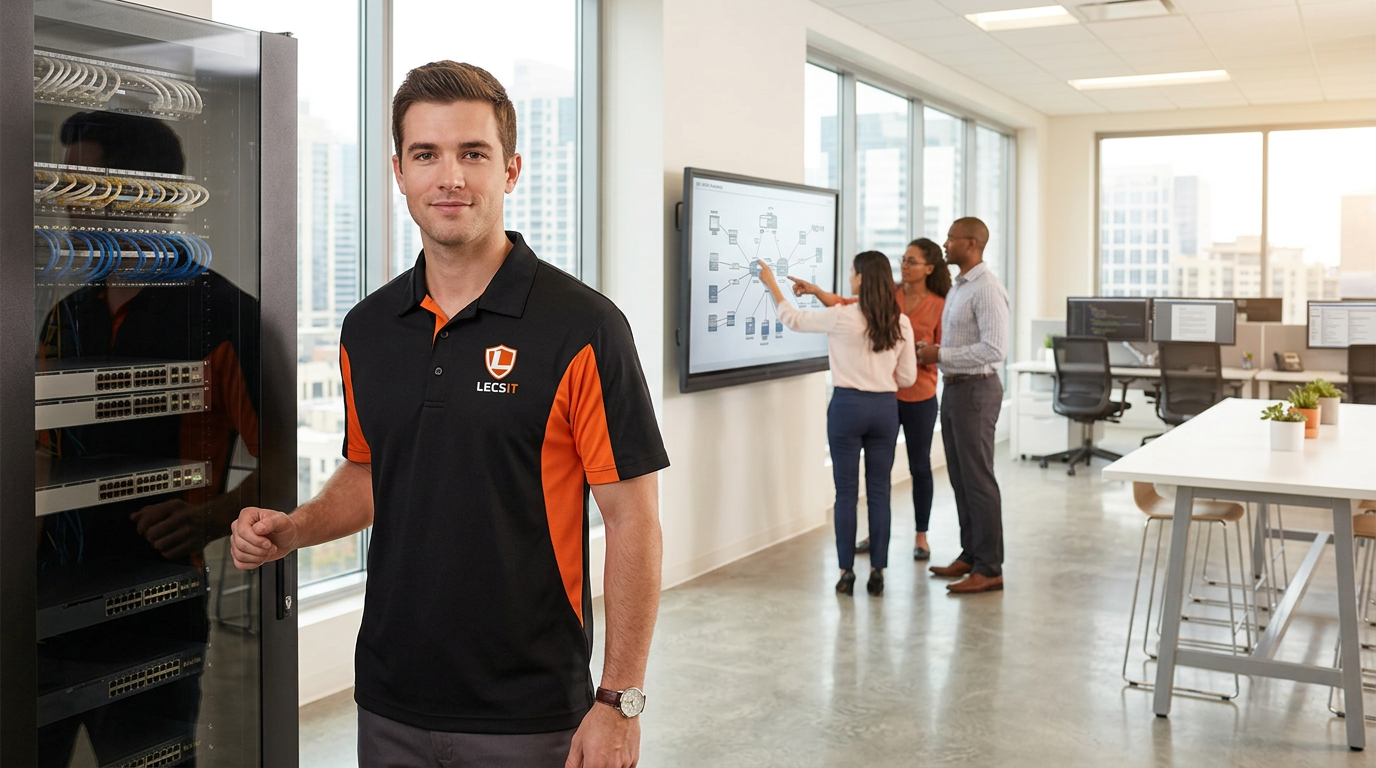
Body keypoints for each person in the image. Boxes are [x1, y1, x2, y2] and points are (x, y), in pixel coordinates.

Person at [229, 61, 669, 768]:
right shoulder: (367, 328)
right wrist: (296, 528)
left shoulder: (583, 328)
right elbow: (373, 473)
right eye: (427, 155)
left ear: (511, 169)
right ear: (399, 171)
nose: (451, 177)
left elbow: (633, 519)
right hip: (389, 695)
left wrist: (620, 700)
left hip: (529, 711)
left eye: (474, 153)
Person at [758, 252, 916, 597]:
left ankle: (846, 573)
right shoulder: (901, 322)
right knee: (880, 492)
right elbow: (907, 377)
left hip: (847, 407)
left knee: (846, 493)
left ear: (859, 278)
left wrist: (772, 284)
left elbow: (792, 319)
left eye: (851, 273)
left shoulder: (843, 316)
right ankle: (878, 572)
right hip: (885, 409)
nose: (849, 277)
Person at [792, 239, 949, 562]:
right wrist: (816, 291)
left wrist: (925, 353)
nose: (904, 266)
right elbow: (847, 303)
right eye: (903, 260)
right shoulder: (889, 295)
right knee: (877, 480)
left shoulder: (939, 305)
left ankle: (921, 535)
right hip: (884, 398)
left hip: (918, 395)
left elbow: (943, 348)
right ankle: (874, 540)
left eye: (912, 261)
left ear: (929, 269)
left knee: (919, 466)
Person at [919, 217, 1009, 594]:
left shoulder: (986, 289)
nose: (945, 243)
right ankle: (971, 554)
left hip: (977, 390)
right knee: (960, 479)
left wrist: (940, 353)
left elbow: (994, 349)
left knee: (978, 479)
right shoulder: (959, 288)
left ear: (971, 244)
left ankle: (990, 568)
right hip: (955, 389)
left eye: (951, 239)